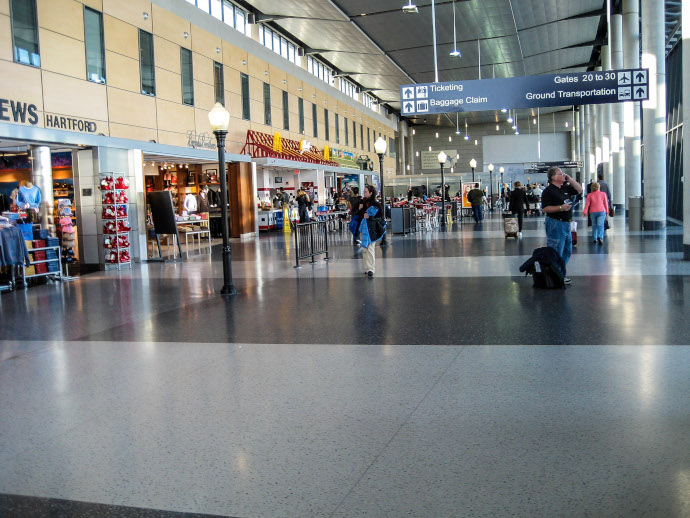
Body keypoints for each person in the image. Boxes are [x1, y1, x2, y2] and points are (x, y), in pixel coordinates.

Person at [541, 167, 583, 284]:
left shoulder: (566, 188)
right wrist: (560, 207)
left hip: (566, 223)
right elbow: (544, 209)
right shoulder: (548, 191)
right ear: (554, 177)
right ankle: (554, 276)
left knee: (567, 250)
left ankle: (560, 274)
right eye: (561, 174)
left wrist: (570, 179)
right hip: (555, 223)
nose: (563, 175)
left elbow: (579, 189)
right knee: (556, 251)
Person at [358, 185, 385, 277]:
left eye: (365, 192)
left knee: (370, 248)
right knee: (365, 249)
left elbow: (381, 216)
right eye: (364, 191)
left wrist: (370, 217)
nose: (364, 193)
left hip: (372, 229)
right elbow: (359, 215)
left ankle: (371, 268)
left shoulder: (376, 204)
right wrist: (360, 209)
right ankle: (367, 267)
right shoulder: (364, 203)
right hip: (365, 229)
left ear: (371, 193)